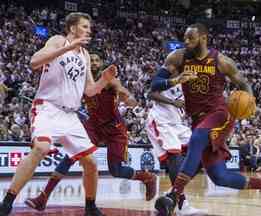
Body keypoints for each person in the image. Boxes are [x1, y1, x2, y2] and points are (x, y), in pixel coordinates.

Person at [151, 23, 261, 215]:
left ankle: (174, 195)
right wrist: (175, 80)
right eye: (185, 38)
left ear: (204, 38)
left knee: (197, 138)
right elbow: (154, 86)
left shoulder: (221, 61)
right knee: (219, 176)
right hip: (198, 119)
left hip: (220, 114)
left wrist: (249, 102)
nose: (186, 41)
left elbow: (243, 83)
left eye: (191, 38)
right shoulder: (178, 57)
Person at [0, 12, 116, 216]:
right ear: (73, 28)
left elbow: (89, 90)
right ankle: (7, 201)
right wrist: (68, 47)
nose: (89, 30)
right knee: (41, 147)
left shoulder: (85, 55)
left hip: (70, 116)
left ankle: (90, 206)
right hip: (48, 108)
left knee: (91, 162)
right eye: (85, 26)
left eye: (89, 27)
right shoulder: (58, 40)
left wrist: (104, 80)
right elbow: (34, 62)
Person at [23, 48, 157, 212]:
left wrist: (128, 98)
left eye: (96, 60)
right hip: (93, 125)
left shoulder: (108, 80)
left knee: (116, 170)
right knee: (69, 157)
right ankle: (43, 197)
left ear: (101, 63)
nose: (93, 63)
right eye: (91, 60)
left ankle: (147, 177)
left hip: (114, 127)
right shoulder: (80, 79)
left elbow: (122, 91)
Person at [146, 81, 208, 216]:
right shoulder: (170, 70)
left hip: (177, 124)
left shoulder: (192, 83)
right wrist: (173, 102)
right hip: (161, 121)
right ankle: (181, 204)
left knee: (204, 153)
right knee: (175, 156)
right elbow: (151, 93)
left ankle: (172, 193)